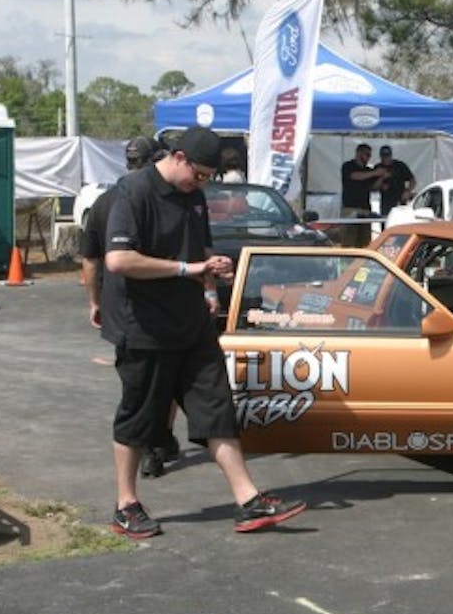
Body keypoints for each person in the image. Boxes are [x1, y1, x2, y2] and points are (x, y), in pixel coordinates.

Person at [101, 126, 307, 538]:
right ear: (178, 157)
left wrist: (211, 277)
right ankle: (126, 505)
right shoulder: (133, 192)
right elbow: (118, 260)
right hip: (143, 327)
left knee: (217, 411)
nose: (202, 183)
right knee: (139, 418)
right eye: (200, 174)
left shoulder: (194, 196)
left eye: (209, 177)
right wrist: (186, 270)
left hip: (191, 323)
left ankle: (248, 501)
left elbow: (200, 252)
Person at [80, 136, 181, 478]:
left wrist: (94, 301)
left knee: (137, 383)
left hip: (119, 308)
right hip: (159, 304)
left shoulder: (104, 202)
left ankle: (154, 443)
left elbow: (91, 261)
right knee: (163, 379)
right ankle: (157, 440)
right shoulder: (158, 198)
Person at [339, 143, 386, 247]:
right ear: (358, 153)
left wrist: (381, 176)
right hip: (350, 209)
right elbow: (356, 176)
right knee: (348, 241)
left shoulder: (368, 170)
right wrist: (375, 173)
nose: (368, 158)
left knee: (364, 242)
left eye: (369, 155)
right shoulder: (348, 166)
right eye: (366, 154)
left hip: (365, 209)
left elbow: (374, 187)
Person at [375, 144, 416, 217]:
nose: (385, 158)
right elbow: (374, 186)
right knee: (386, 222)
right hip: (386, 202)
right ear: (380, 156)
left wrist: (408, 191)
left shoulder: (400, 165)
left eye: (387, 155)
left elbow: (412, 180)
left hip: (401, 200)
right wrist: (382, 179)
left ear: (391, 155)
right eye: (383, 156)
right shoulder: (378, 167)